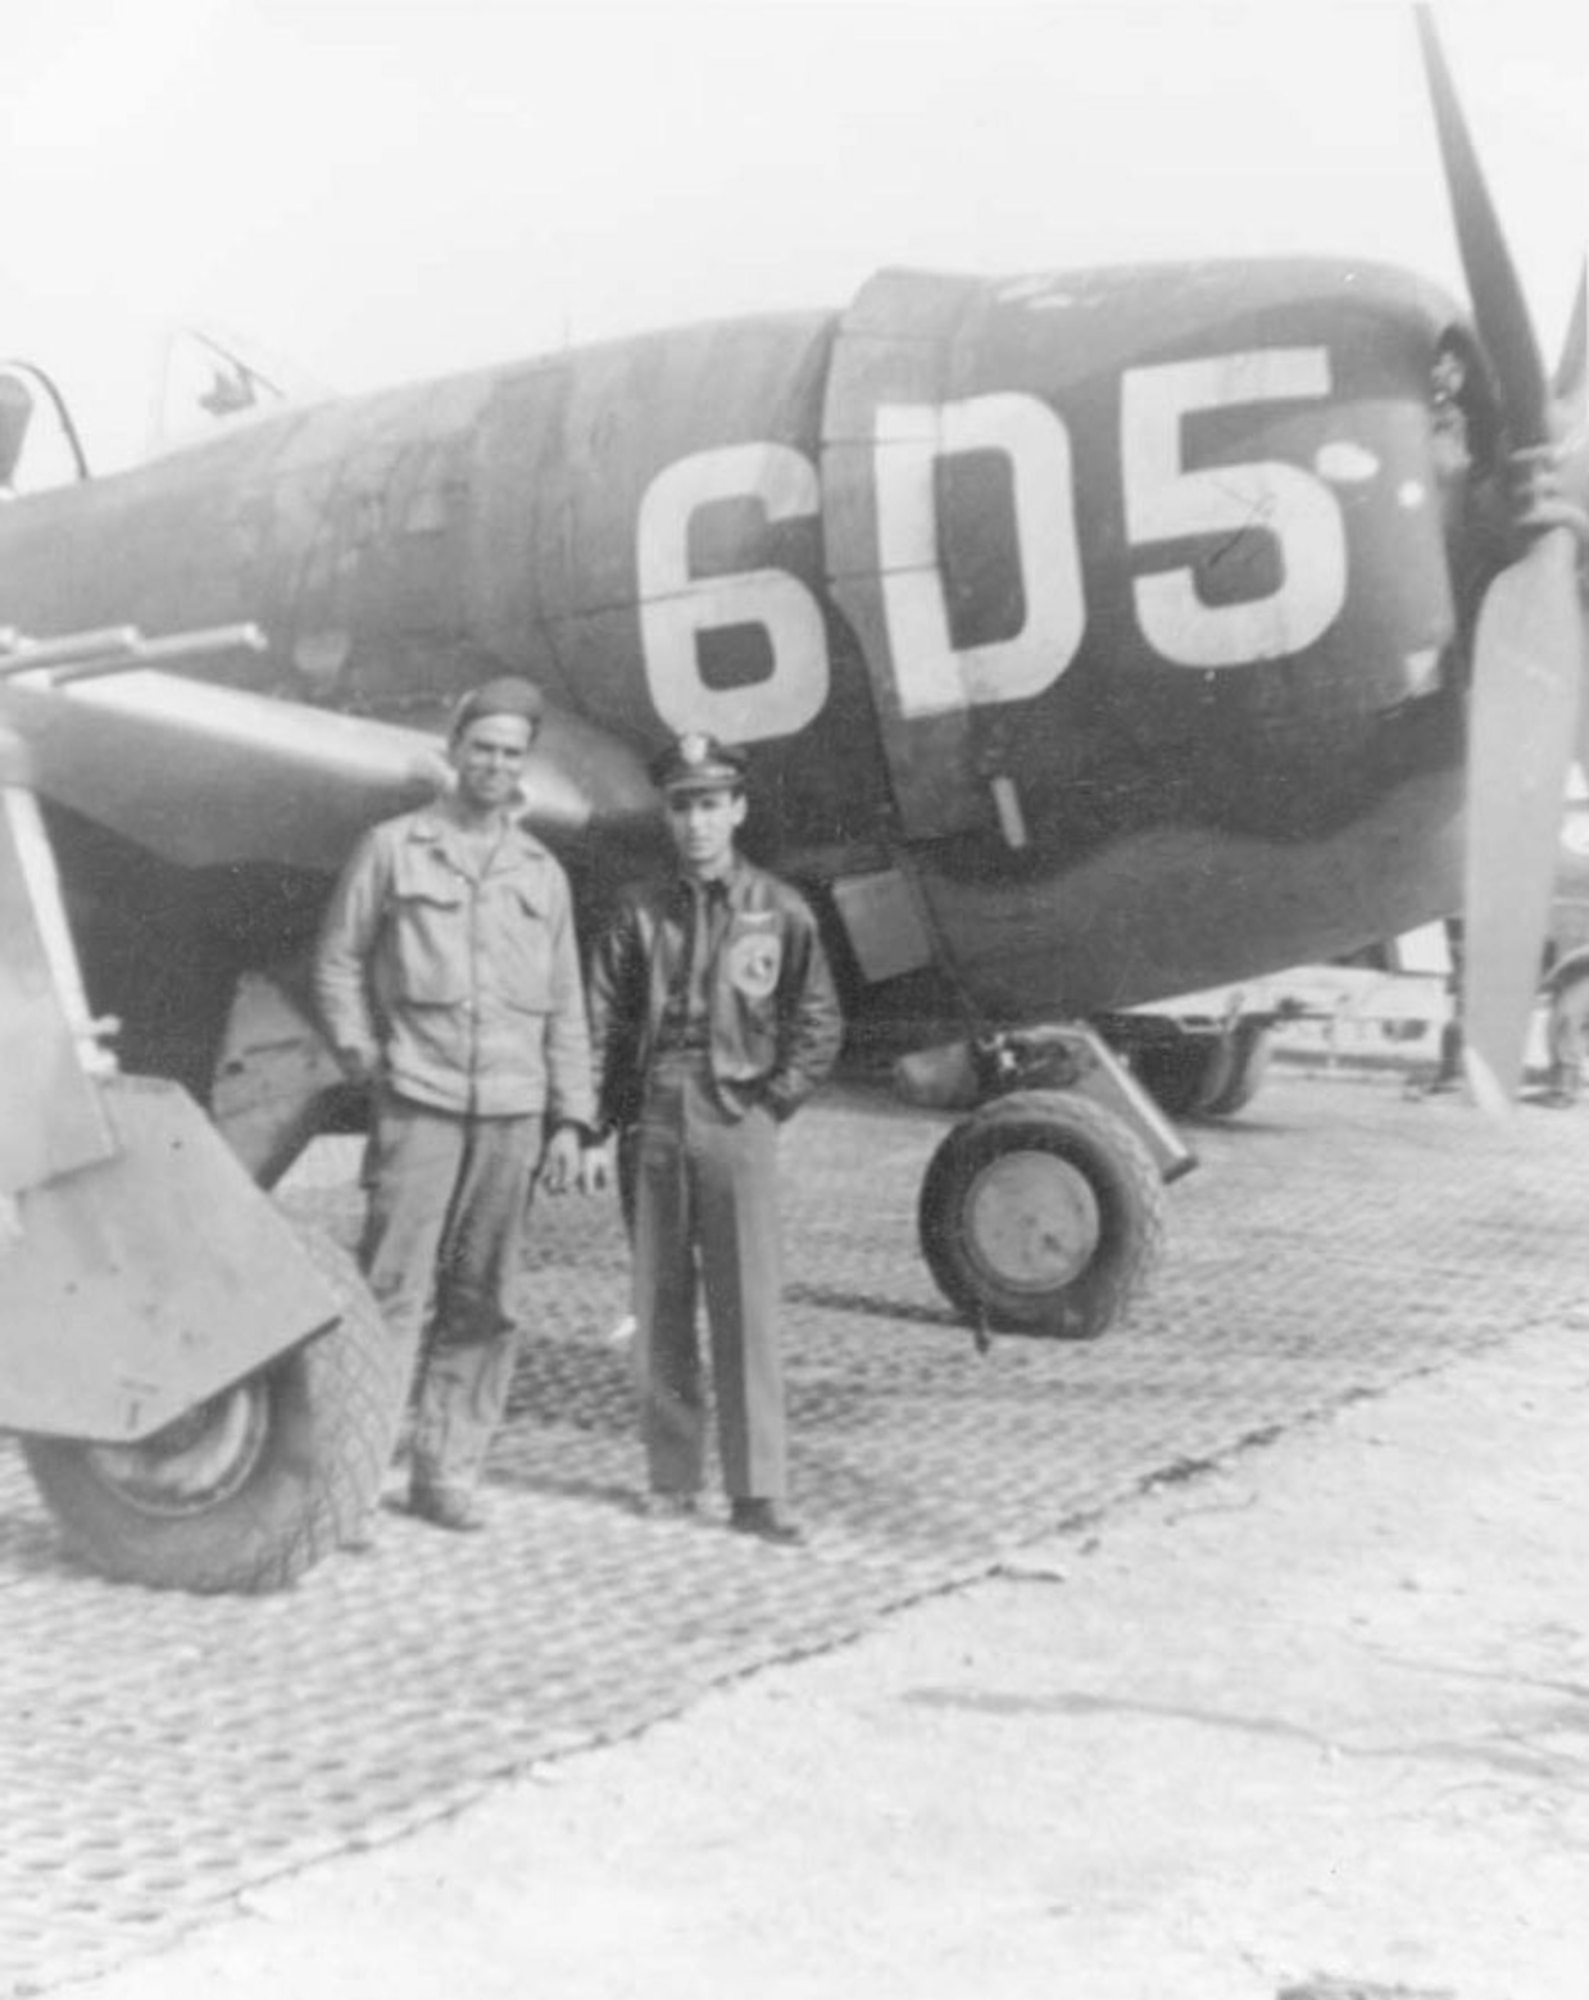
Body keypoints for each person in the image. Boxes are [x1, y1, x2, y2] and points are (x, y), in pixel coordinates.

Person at [315, 676, 599, 1533]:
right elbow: (337, 962)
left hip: (511, 1112)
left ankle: (447, 1474)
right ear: (454, 751)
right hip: (421, 1101)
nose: (496, 765)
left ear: (525, 765)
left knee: (486, 1301)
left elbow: (566, 1005)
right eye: (483, 748)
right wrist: (367, 1055)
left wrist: (573, 1116)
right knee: (389, 1294)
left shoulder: (542, 874)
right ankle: (353, 1482)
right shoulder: (393, 849)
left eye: (513, 753)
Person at [586, 732, 844, 1545]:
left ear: (736, 809)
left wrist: (773, 1102)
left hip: (737, 1115)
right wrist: (596, 1124)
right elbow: (598, 1023)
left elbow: (816, 1019)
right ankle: (670, 1476)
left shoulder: (780, 911)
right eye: (680, 807)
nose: (695, 823)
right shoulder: (636, 912)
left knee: (746, 1305)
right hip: (655, 1110)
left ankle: (757, 1489)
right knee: (659, 1298)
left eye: (709, 804)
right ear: (666, 815)